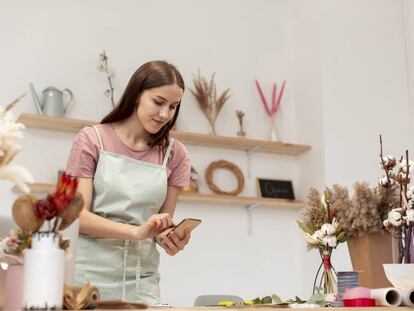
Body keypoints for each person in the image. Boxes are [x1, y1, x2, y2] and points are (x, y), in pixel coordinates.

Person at [66, 60, 192, 304]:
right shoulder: (92, 140)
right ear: (136, 95)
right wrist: (136, 232)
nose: (165, 114)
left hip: (142, 281)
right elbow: (76, 216)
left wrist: (170, 237)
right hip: (88, 279)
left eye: (173, 106)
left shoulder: (176, 154)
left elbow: (160, 225)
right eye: (158, 102)